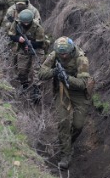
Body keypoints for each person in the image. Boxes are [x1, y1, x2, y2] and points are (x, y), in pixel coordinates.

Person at [39, 36, 95, 169]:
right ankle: (66, 154)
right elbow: (41, 74)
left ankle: (67, 142)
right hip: (62, 90)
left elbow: (82, 84)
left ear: (71, 51)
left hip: (79, 93)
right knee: (63, 121)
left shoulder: (81, 59)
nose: (63, 56)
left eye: (65, 54)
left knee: (78, 125)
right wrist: (54, 72)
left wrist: (67, 77)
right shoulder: (54, 55)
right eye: (60, 54)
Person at [8, 9, 46, 103]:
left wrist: (30, 44)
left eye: (27, 22)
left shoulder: (38, 27)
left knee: (36, 70)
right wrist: (18, 38)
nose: (25, 24)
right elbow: (11, 35)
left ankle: (36, 91)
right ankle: (24, 86)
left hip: (36, 50)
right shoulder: (16, 24)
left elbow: (40, 43)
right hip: (23, 49)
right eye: (23, 22)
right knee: (21, 70)